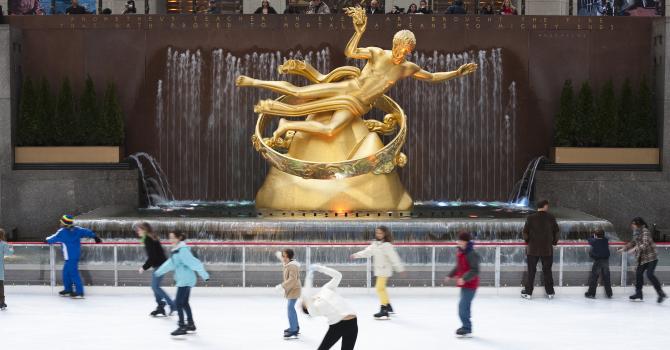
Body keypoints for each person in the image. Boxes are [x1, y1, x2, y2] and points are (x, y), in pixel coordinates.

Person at [155, 232, 210, 336]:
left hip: (185, 280)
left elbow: (194, 263)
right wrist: (159, 271)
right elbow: (170, 264)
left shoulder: (182, 251)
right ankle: (191, 324)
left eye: (173, 238)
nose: (170, 240)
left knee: (179, 303)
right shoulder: (176, 251)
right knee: (184, 302)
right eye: (169, 238)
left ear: (179, 238)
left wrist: (204, 275)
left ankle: (182, 326)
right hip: (184, 279)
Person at [351, 226, 405, 320]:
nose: (378, 234)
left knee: (379, 288)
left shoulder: (387, 245)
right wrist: (356, 255)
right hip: (379, 270)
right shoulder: (375, 244)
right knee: (382, 289)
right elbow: (367, 252)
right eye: (377, 233)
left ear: (385, 234)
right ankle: (388, 306)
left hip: (385, 270)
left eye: (380, 233)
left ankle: (384, 309)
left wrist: (400, 269)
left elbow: (394, 258)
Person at [301, 264, 358, 350]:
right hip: (338, 326)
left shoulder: (325, 289)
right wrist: (308, 278)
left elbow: (338, 276)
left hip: (353, 323)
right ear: (307, 308)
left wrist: (320, 268)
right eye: (304, 303)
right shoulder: (313, 310)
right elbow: (307, 294)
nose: (304, 300)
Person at [46, 215, 102, 298]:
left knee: (73, 274)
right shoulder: (77, 230)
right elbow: (86, 232)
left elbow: (51, 239)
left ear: (64, 223)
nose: (60, 223)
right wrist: (95, 236)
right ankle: (68, 289)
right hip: (73, 256)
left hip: (70, 257)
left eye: (61, 222)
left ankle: (79, 292)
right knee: (66, 273)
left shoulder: (62, 232)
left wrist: (46, 240)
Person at [618, 217, 667, 303]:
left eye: (633, 224)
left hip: (651, 257)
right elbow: (633, 242)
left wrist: (634, 249)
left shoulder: (645, 231)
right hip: (642, 258)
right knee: (638, 275)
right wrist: (624, 248)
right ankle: (638, 293)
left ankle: (660, 293)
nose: (632, 226)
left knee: (650, 274)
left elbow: (644, 244)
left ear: (638, 224)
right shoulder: (636, 232)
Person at [135, 222, 176, 317]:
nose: (138, 232)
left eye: (139, 230)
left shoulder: (148, 239)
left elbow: (152, 256)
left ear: (144, 230)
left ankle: (172, 305)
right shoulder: (151, 237)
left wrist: (143, 267)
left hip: (160, 265)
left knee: (155, 287)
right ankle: (161, 307)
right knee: (155, 286)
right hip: (160, 264)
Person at [521, 200, 559, 300]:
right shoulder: (551, 217)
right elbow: (556, 232)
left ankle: (528, 293)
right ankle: (550, 292)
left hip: (533, 249)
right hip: (547, 249)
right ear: (545, 206)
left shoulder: (530, 217)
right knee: (547, 271)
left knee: (531, 272)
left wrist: (528, 241)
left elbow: (525, 232)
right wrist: (554, 242)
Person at [445, 232, 480, 337]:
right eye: (458, 240)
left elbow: (475, 270)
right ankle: (467, 327)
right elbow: (458, 267)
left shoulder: (471, 253)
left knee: (462, 307)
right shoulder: (461, 252)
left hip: (470, 285)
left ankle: (466, 327)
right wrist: (450, 275)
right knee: (465, 306)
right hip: (464, 284)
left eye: (460, 240)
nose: (458, 242)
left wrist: (464, 278)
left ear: (465, 242)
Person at [275, 249, 302, 339]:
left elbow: (292, 280)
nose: (283, 258)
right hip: (292, 288)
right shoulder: (288, 264)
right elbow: (282, 259)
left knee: (290, 308)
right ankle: (295, 326)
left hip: (294, 289)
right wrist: (280, 254)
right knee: (291, 308)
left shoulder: (292, 267)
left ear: (289, 257)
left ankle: (293, 329)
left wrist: (282, 286)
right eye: (283, 256)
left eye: (285, 256)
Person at [585, 229, 612, 299]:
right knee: (607, 277)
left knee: (594, 277)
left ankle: (591, 293)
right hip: (605, 260)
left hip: (598, 261)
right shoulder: (605, 240)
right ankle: (609, 293)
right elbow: (604, 238)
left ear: (596, 235)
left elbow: (589, 239)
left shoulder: (594, 241)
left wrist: (592, 235)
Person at [0, 228, 14, 310]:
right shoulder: (3, 244)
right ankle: (1, 303)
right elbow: (9, 253)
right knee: (0, 287)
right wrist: (11, 248)